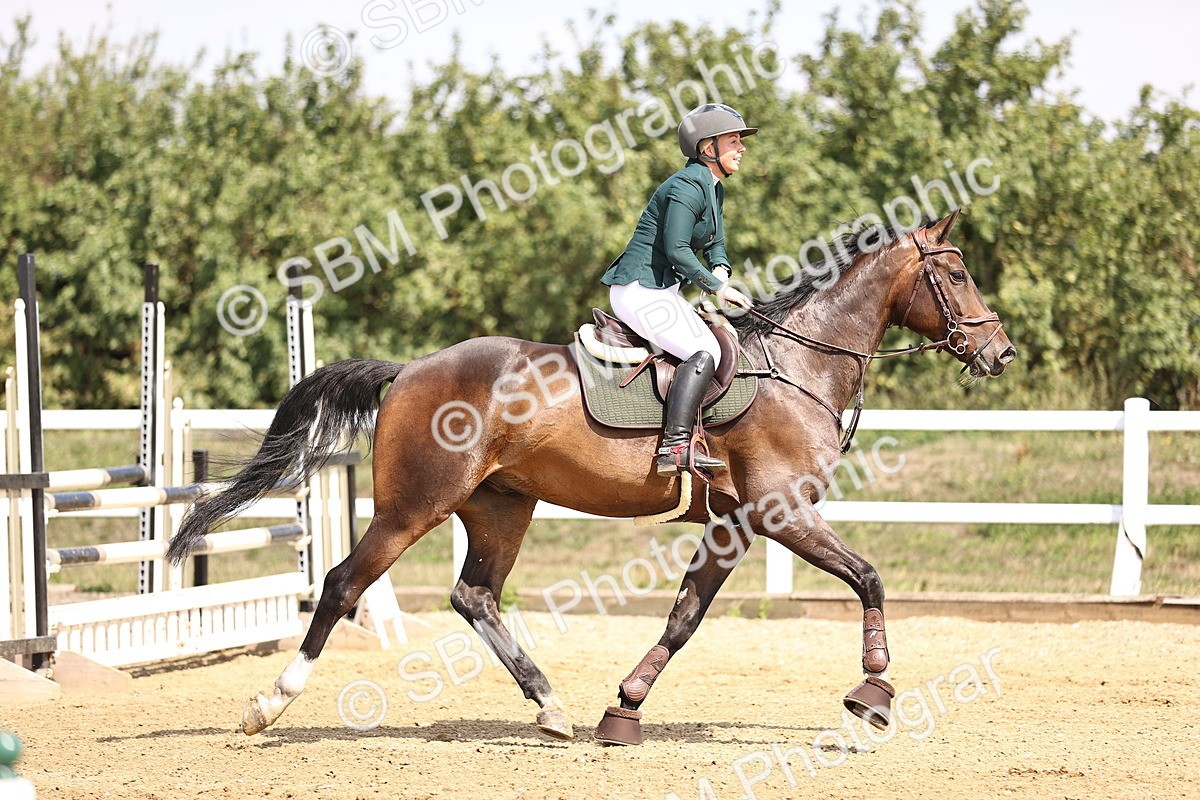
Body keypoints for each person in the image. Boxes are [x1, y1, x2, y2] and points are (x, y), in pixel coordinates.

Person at [601, 103, 756, 476]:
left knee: (722, 341)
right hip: (639, 289)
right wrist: (716, 288)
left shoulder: (712, 187)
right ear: (708, 149)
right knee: (704, 351)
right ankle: (674, 447)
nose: (742, 148)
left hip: (662, 291)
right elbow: (677, 249)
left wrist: (720, 267)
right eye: (734, 140)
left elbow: (714, 241)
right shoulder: (687, 185)